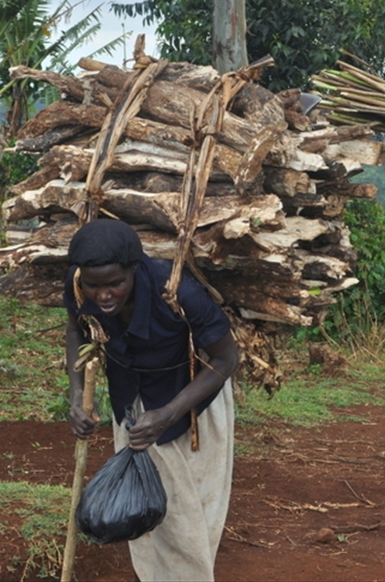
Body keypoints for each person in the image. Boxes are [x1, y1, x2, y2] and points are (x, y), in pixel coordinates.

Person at [64, 218, 238, 580]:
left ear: (134, 269)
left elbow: (225, 359)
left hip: (192, 405)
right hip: (130, 400)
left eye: (115, 283)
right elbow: (75, 327)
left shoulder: (177, 293)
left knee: (186, 513)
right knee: (140, 509)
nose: (104, 295)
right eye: (94, 286)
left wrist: (168, 413)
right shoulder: (79, 286)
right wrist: (77, 394)